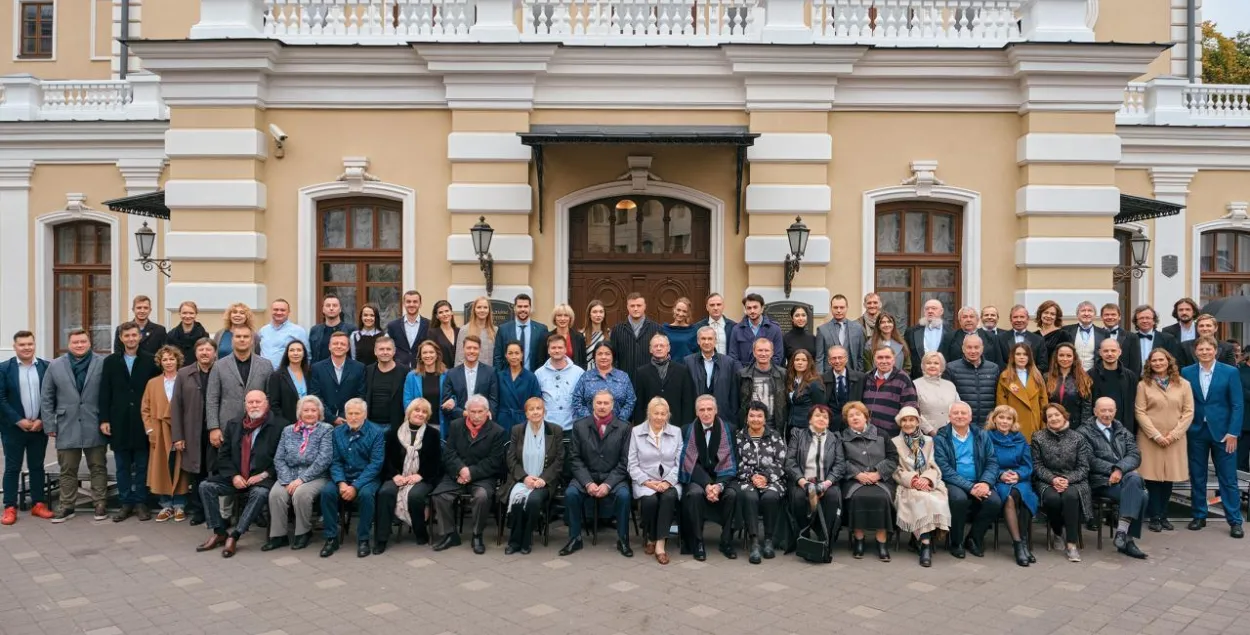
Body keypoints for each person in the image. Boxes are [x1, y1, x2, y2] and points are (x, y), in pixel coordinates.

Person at [195, 390, 283, 557]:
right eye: (250, 402)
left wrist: (264, 474)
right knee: (206, 486)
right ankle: (220, 531)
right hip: (236, 477)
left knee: (260, 493)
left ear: (266, 404)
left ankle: (235, 536)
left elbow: (281, 459)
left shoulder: (279, 426)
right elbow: (223, 455)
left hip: (262, 478)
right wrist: (234, 476)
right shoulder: (234, 424)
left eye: (258, 402)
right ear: (245, 405)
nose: (254, 405)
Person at [41, 329, 108, 522]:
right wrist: (49, 424)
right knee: (67, 468)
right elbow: (47, 397)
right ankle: (67, 506)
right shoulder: (55, 365)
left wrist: (106, 420)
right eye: (75, 342)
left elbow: (108, 393)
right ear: (69, 344)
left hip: (94, 422)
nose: (79, 345)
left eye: (83, 341)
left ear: (89, 343)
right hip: (66, 423)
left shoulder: (101, 363)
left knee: (98, 466)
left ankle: (100, 503)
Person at [1181, 336, 1244, 538]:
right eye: (1201, 349)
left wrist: (1233, 432)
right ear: (1195, 352)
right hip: (1197, 431)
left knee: (1228, 478)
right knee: (1197, 476)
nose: (1205, 352)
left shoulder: (1230, 372)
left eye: (1209, 349)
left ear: (1215, 351)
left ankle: (1234, 520)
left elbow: (1237, 404)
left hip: (1224, 433)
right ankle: (1199, 515)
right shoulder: (1187, 372)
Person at [99, 321, 160, 522]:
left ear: (139, 337)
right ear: (121, 338)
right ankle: (125, 503)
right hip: (119, 420)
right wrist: (105, 419)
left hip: (142, 420)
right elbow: (104, 392)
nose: (131, 339)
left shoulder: (151, 361)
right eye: (127, 336)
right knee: (122, 465)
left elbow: (155, 392)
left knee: (142, 465)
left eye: (134, 335)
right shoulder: (110, 362)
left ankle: (141, 502)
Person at [561, 390, 633, 558]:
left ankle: (623, 539)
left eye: (606, 403)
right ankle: (575, 538)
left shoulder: (624, 427)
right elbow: (575, 458)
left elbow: (625, 461)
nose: (602, 406)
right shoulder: (579, 426)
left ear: (612, 405)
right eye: (598, 403)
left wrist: (608, 484)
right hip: (587, 475)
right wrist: (587, 482)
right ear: (592, 404)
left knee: (624, 495)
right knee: (571, 493)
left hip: (613, 477)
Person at [432, 395, 507, 554]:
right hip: (456, 474)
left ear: (487, 412)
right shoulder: (456, 425)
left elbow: (494, 461)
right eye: (473, 411)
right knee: (440, 495)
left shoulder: (497, 431)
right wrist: (460, 469)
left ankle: (477, 535)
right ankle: (450, 534)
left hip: (483, 476)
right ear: (467, 412)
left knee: (482, 496)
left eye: (481, 411)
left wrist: (470, 473)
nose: (477, 415)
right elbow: (449, 453)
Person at [1079, 397, 1149, 559]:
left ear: (1115, 412)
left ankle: (1122, 534)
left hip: (1123, 478)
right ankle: (1128, 541)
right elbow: (1089, 459)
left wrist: (1119, 469)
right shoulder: (1084, 432)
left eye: (1111, 410)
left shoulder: (1122, 430)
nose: (1107, 414)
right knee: (1142, 495)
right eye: (1103, 410)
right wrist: (1113, 470)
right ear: (1095, 412)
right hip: (1100, 482)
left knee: (1135, 482)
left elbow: (1135, 455)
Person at [263, 395, 333, 552]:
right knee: (276, 494)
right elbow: (279, 458)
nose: (309, 413)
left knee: (301, 494)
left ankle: (303, 532)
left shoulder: (326, 430)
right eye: (306, 410)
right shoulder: (288, 430)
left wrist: (302, 479)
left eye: (313, 410)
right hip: (289, 474)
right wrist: (287, 480)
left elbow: (324, 460)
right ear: (299, 413)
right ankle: (278, 536)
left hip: (316, 476)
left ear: (319, 413)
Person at [1135, 348, 1193, 533]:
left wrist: (1174, 434)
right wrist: (1156, 435)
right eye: (1154, 361)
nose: (1158, 363)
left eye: (1161, 360)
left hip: (1174, 439)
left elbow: (1188, 412)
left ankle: (1163, 514)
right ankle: (1154, 516)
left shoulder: (1183, 384)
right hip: (1150, 438)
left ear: (1169, 361)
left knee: (1168, 478)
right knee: (1152, 479)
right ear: (1149, 364)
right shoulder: (1144, 384)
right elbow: (1140, 411)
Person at [319, 398, 385, 558]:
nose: (353, 417)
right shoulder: (337, 432)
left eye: (357, 413)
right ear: (345, 414)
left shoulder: (376, 432)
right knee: (327, 492)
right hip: (343, 477)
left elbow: (375, 464)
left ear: (365, 414)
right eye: (350, 413)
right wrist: (341, 483)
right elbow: (334, 461)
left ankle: (363, 539)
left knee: (366, 495)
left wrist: (355, 486)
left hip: (367, 478)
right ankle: (331, 538)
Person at [933, 402, 1001, 559]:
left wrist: (985, 482)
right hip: (953, 482)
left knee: (994, 502)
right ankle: (956, 542)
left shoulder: (981, 435)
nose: (959, 416)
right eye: (955, 413)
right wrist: (970, 487)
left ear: (970, 417)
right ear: (949, 417)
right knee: (958, 499)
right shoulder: (941, 437)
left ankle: (974, 539)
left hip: (979, 481)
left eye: (963, 413)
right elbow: (944, 469)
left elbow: (992, 461)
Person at [0, 331, 53, 524]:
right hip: (13, 428)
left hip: (38, 427)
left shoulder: (46, 367)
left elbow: (50, 397)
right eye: (22, 344)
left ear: (34, 345)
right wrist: (18, 420)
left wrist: (42, 419)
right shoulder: (4, 369)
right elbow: (1, 399)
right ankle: (10, 506)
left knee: (37, 466)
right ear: (15, 347)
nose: (26, 348)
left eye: (29, 344)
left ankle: (38, 504)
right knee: (13, 467)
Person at [499, 398, 563, 555]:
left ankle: (526, 540)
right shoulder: (517, 430)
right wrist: (524, 478)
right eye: (531, 409)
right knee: (518, 500)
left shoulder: (555, 430)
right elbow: (511, 459)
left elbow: (560, 460)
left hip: (544, 481)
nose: (535, 412)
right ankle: (514, 542)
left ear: (544, 411)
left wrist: (543, 479)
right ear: (526, 413)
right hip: (521, 479)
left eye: (539, 408)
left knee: (533, 501)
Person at [678, 395, 739, 561]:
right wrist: (707, 485)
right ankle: (697, 541)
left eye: (709, 409)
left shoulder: (729, 429)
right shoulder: (686, 430)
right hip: (697, 478)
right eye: (702, 410)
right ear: (696, 412)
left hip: (723, 476)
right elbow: (688, 463)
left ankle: (726, 541)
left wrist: (718, 486)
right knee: (694, 494)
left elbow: (733, 461)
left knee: (732, 494)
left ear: (716, 410)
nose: (706, 413)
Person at [376, 398, 442, 548]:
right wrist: (395, 475)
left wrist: (420, 475)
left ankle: (420, 533)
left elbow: (436, 462)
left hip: (422, 477)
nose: (420, 414)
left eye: (424, 412)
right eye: (417, 410)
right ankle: (381, 539)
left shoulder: (433, 434)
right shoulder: (393, 434)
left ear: (428, 416)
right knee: (385, 492)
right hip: (398, 476)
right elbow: (385, 460)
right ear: (409, 412)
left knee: (415, 496)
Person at [1032, 403, 1093, 563]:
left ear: (1064, 416)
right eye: (1050, 416)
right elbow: (1037, 465)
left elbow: (1083, 467)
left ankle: (1072, 544)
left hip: (1074, 480)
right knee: (1052, 498)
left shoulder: (1078, 438)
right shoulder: (1038, 437)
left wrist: (1067, 480)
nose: (1053, 418)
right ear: (1046, 420)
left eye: (1057, 414)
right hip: (1047, 480)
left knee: (1071, 496)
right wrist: (1053, 479)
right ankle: (1058, 532)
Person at [891, 406, 951, 567]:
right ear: (900, 423)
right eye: (904, 420)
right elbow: (895, 469)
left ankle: (917, 540)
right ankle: (925, 544)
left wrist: (926, 479)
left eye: (912, 420)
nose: (908, 423)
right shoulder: (895, 442)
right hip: (908, 485)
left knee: (936, 499)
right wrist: (913, 480)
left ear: (918, 422)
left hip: (930, 482)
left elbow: (934, 464)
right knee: (920, 499)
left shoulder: (930, 441)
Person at [785, 404, 844, 561]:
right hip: (803, 481)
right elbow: (790, 462)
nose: (821, 419)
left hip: (826, 482)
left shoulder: (835, 438)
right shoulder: (798, 434)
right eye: (817, 415)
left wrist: (826, 484)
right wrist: (804, 483)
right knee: (798, 498)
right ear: (810, 419)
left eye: (825, 417)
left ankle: (826, 540)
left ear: (829, 422)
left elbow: (840, 465)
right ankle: (803, 537)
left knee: (832, 498)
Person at [840, 401, 898, 562]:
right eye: (850, 416)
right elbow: (840, 461)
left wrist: (878, 473)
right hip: (855, 481)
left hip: (881, 480)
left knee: (882, 498)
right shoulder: (842, 437)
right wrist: (857, 474)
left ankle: (882, 541)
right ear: (847, 420)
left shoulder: (882, 434)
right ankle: (859, 539)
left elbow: (893, 457)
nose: (854, 418)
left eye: (858, 414)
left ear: (866, 417)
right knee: (857, 498)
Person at [629, 396, 683, 565]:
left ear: (668, 415)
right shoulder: (636, 432)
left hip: (669, 480)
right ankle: (650, 536)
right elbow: (632, 464)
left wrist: (668, 482)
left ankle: (660, 543)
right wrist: (646, 482)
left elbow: (680, 463)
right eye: (656, 413)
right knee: (650, 501)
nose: (659, 417)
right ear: (648, 414)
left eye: (663, 414)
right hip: (646, 480)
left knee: (668, 497)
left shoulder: (676, 432)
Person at [207, 326, 275, 455]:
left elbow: (270, 396)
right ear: (232, 340)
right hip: (227, 425)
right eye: (238, 337)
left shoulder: (266, 365)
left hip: (259, 425)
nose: (242, 340)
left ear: (252, 341)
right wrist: (213, 427)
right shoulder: (219, 366)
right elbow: (212, 398)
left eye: (246, 337)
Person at [985, 405, 1038, 567]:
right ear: (994, 419)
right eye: (1001, 417)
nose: (1004, 421)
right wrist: (1000, 474)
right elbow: (985, 462)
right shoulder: (986, 437)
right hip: (997, 479)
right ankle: (1018, 545)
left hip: (1019, 478)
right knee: (1008, 498)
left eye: (1009, 418)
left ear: (1013, 422)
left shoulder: (1020, 438)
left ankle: (1023, 542)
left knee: (1024, 496)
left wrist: (1019, 475)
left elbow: (1028, 464)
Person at [171, 338, 216, 525]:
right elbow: (176, 406)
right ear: (196, 353)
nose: (204, 353)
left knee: (214, 471)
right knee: (197, 472)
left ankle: (215, 511)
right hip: (192, 431)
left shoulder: (221, 370)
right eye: (201, 350)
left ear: (214, 352)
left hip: (215, 430)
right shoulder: (183, 374)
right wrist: (178, 436)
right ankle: (199, 510)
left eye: (208, 349)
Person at [142, 345, 189, 522]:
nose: (168, 362)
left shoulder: (184, 380)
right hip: (159, 430)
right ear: (160, 362)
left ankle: (180, 504)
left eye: (172, 359)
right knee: (161, 466)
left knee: (179, 466)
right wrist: (150, 429)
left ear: (177, 360)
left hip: (179, 430)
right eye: (165, 359)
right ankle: (165, 505)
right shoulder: (152, 383)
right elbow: (145, 408)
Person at [736, 401, 787, 564]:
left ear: (765, 419)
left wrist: (765, 477)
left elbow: (782, 462)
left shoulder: (775, 436)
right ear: (746, 418)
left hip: (772, 479)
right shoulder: (738, 437)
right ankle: (754, 542)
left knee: (770, 497)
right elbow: (735, 463)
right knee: (750, 497)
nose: (755, 419)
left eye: (759, 416)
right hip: (747, 479)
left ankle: (769, 540)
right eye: (752, 415)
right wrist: (752, 477)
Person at [632, 334, 696, 427]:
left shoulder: (682, 370)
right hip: (650, 426)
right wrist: (640, 426)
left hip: (676, 425)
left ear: (668, 348)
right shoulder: (641, 372)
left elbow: (688, 401)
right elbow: (639, 404)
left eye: (662, 345)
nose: (658, 348)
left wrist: (685, 427)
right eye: (655, 346)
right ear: (650, 349)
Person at [684, 326, 740, 427]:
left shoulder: (728, 362)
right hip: (696, 419)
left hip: (723, 417)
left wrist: (732, 418)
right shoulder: (688, 362)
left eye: (710, 338)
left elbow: (734, 393)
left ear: (715, 341)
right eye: (703, 338)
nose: (706, 342)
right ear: (698, 341)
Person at [440, 335, 500, 428]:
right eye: (469, 348)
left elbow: (494, 400)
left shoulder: (490, 372)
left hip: (484, 424)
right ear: (463, 349)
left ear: (480, 350)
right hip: (459, 424)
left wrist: (484, 415)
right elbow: (445, 404)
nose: (472, 351)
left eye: (475, 348)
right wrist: (464, 413)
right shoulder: (451, 374)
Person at [309, 331, 366, 426]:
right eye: (335, 343)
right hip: (324, 421)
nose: (339, 346)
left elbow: (360, 395)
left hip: (350, 421)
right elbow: (316, 396)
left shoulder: (359, 368)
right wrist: (332, 418)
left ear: (348, 348)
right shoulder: (317, 368)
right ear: (329, 346)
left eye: (343, 344)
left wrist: (345, 416)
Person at [944, 334, 1000, 428]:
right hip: (962, 424)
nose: (973, 351)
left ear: (982, 349)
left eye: (976, 347)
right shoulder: (951, 368)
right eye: (969, 347)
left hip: (988, 425)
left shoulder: (993, 368)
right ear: (963, 349)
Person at [861, 345, 918, 436]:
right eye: (880, 358)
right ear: (874, 360)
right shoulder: (866, 377)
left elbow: (910, 407)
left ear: (894, 360)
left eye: (887, 357)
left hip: (891, 435)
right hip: (867, 434)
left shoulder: (903, 378)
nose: (884, 361)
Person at [571, 341, 635, 422]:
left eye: (607, 354)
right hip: (590, 427)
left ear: (613, 356)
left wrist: (619, 421)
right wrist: (590, 420)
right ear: (594, 356)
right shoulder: (586, 376)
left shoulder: (623, 377)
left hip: (618, 428)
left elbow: (631, 401)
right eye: (600, 354)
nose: (603, 357)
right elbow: (577, 400)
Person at [996, 343, 1048, 438]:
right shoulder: (1005, 377)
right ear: (1013, 356)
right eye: (1018, 354)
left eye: (1025, 354)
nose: (1022, 357)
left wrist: (1043, 426)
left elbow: (1043, 403)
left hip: (1034, 424)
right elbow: (1001, 405)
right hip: (1013, 425)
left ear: (1029, 357)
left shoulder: (1037, 376)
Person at [535, 333, 585, 433]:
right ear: (548, 350)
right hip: (548, 427)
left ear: (566, 349)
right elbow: (537, 400)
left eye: (560, 347)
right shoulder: (539, 373)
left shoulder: (579, 372)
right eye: (553, 348)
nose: (557, 350)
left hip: (572, 427)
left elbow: (583, 400)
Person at [609, 293, 663, 382]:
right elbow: (613, 358)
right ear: (627, 307)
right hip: (623, 381)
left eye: (639, 305)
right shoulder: (617, 330)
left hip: (650, 380)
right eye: (632, 306)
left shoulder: (657, 329)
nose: (635, 309)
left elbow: (661, 357)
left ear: (645, 306)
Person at [737, 338, 788, 432]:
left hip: (775, 427)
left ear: (772, 353)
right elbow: (738, 402)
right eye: (760, 350)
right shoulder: (743, 374)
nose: (763, 354)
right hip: (750, 427)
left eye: (767, 350)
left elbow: (787, 402)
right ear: (754, 352)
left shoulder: (783, 374)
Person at [1090, 338, 1139, 432]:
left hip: (1125, 429)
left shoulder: (1130, 376)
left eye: (1113, 350)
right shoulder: (1090, 376)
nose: (1109, 354)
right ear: (1100, 352)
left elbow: (1135, 404)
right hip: (1098, 430)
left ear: (1119, 352)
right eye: (1106, 351)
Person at [494, 293, 550, 372]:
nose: (523, 309)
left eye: (526, 306)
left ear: (530, 308)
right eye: (519, 306)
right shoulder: (503, 329)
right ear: (514, 308)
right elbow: (498, 357)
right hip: (509, 378)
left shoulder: (541, 329)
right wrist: (499, 377)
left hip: (533, 377)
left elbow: (545, 356)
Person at [496, 341, 542, 433]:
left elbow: (536, 401)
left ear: (522, 355)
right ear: (506, 355)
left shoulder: (530, 377)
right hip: (502, 422)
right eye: (510, 353)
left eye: (517, 353)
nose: (514, 357)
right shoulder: (499, 376)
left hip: (524, 422)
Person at [728, 293, 784, 368]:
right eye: (749, 308)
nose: (752, 311)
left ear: (762, 308)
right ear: (745, 310)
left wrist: (764, 372)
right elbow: (733, 356)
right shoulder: (737, 329)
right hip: (743, 375)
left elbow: (778, 356)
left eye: (755, 307)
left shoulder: (774, 329)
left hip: (768, 375)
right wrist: (743, 373)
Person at [1046, 342, 1094, 429]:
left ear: (1074, 358)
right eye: (1061, 355)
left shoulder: (1083, 378)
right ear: (1056, 357)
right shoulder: (1046, 377)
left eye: (1069, 355)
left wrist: (1083, 430)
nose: (1065, 359)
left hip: (1075, 428)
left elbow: (1086, 408)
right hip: (1052, 426)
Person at [1124, 305, 1181, 378]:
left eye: (1148, 318)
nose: (1144, 321)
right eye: (1141, 318)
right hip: (1135, 381)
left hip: (1161, 380)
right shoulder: (1129, 339)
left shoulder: (1168, 338)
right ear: (1136, 322)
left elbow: (1173, 362)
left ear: (1154, 321)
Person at [401, 340, 447, 428]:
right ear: (420, 356)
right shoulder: (412, 376)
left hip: (441, 425)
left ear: (437, 355)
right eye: (424, 353)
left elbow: (453, 397)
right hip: (419, 426)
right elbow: (407, 402)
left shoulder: (447, 375)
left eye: (431, 352)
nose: (428, 355)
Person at [904, 299, 953, 380]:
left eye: (934, 308)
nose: (930, 311)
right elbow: (907, 356)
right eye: (927, 309)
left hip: (943, 379)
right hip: (917, 379)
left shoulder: (951, 332)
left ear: (941, 311)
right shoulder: (911, 332)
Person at [816, 294, 866, 373]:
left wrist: (859, 376)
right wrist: (820, 379)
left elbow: (860, 356)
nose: (839, 310)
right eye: (835, 307)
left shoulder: (858, 329)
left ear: (847, 308)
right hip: (830, 376)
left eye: (842, 307)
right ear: (831, 308)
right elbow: (819, 358)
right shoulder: (822, 330)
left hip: (852, 375)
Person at [363, 336, 406, 429]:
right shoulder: (368, 371)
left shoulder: (405, 372)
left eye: (388, 349)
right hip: (371, 424)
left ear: (394, 351)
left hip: (396, 425)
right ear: (375, 351)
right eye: (381, 349)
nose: (385, 352)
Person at [822, 345, 866, 432]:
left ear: (846, 359)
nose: (837, 361)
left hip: (853, 425)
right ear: (829, 361)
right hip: (831, 426)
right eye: (834, 358)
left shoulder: (860, 378)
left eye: (840, 358)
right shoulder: (822, 379)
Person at [785, 349, 826, 439]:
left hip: (807, 428)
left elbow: (820, 408)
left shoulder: (815, 383)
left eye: (804, 360)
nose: (800, 362)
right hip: (791, 427)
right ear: (793, 362)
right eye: (797, 360)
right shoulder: (790, 381)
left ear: (809, 363)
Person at [915, 351, 959, 435]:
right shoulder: (915, 385)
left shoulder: (950, 385)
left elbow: (958, 408)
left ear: (941, 366)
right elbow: (914, 411)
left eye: (936, 363)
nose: (932, 366)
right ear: (923, 366)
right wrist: (930, 430)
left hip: (950, 434)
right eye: (928, 363)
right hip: (925, 435)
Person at [257, 299, 309, 369]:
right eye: (276, 309)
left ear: (288, 312)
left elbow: (307, 356)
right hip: (264, 374)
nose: (279, 312)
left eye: (282, 310)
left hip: (286, 375)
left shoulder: (298, 331)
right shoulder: (263, 330)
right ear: (271, 311)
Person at [267, 340, 310, 423]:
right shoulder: (277, 376)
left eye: (299, 350)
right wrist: (284, 423)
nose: (295, 353)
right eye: (292, 350)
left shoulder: (310, 374)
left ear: (304, 353)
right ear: (287, 354)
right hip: (287, 424)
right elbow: (274, 404)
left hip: (309, 421)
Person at [998, 304, 1049, 374]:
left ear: (1027, 319)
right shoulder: (1000, 338)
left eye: (1022, 317)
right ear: (1010, 320)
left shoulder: (1038, 340)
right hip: (1007, 379)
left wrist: (1028, 375)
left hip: (1031, 380)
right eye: (1015, 317)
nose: (1019, 320)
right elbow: (999, 362)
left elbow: (1043, 365)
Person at [387, 289, 429, 369]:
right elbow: (389, 348)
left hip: (422, 369)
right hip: (398, 370)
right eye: (408, 301)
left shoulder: (429, 325)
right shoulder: (393, 325)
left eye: (415, 302)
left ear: (420, 304)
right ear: (404, 304)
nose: (411, 304)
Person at [308, 294, 356, 364]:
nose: (331, 308)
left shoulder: (351, 330)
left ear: (340, 309)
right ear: (323, 309)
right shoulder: (315, 330)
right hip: (319, 372)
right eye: (328, 305)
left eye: (335, 305)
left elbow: (355, 355)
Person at [1061, 301, 1105, 372]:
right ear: (1077, 314)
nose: (1086, 314)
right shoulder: (1066, 330)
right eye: (1083, 311)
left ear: (1094, 315)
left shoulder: (1103, 333)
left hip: (1095, 374)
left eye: (1090, 311)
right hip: (1071, 373)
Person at [455, 296, 496, 367]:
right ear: (474, 310)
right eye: (479, 307)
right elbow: (459, 358)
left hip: (490, 374)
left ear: (489, 310)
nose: (482, 310)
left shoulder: (495, 330)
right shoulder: (464, 330)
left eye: (485, 307)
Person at [166, 301, 209, 367]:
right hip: (178, 372)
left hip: (197, 372)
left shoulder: (204, 335)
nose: (188, 316)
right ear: (179, 314)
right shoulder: (171, 335)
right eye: (184, 313)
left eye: (191, 313)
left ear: (196, 314)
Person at [692, 293, 735, 357]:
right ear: (707, 307)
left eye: (718, 304)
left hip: (727, 365)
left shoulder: (733, 326)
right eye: (712, 305)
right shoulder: (698, 327)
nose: (715, 308)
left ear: (723, 306)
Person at [1034, 300, 1073, 371]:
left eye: (1052, 314)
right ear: (1040, 314)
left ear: (1056, 317)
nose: (1048, 316)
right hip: (1036, 376)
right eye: (1046, 312)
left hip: (1055, 376)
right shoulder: (1033, 335)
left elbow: (1069, 358)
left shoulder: (1063, 335)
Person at [662, 296, 700, 362]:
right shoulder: (664, 329)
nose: (680, 314)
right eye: (678, 310)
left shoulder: (693, 330)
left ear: (688, 313)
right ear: (674, 309)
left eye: (684, 311)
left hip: (688, 368)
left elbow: (697, 353)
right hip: (669, 368)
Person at [550, 304, 586, 369]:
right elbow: (541, 361)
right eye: (559, 315)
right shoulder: (546, 337)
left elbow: (583, 361)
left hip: (574, 376)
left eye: (566, 315)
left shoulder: (579, 337)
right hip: (551, 376)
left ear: (570, 318)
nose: (562, 319)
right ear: (555, 318)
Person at [428, 300, 460, 371]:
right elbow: (432, 354)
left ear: (451, 312)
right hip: (441, 372)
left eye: (447, 311)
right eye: (441, 312)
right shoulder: (432, 333)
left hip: (459, 372)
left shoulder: (459, 331)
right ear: (437, 316)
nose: (444, 314)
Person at [580, 300, 610, 365]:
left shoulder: (610, 334)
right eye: (594, 312)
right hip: (587, 372)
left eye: (601, 312)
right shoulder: (581, 335)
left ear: (604, 314)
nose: (598, 315)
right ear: (589, 315)